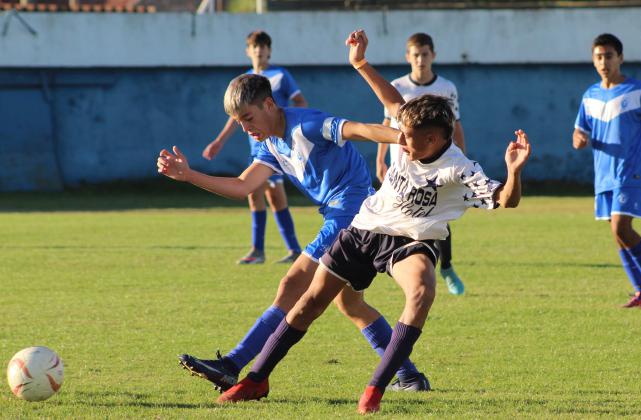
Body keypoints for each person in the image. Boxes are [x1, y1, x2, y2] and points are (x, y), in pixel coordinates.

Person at [214, 29, 531, 415]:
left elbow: (505, 200)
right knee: (311, 302)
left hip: (411, 239)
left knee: (420, 292)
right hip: (366, 227)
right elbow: (392, 100)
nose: (402, 142)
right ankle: (255, 379)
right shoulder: (409, 130)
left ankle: (375, 390)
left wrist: (513, 171)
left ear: (434, 140)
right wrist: (361, 63)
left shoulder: (460, 169)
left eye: (411, 140)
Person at [159, 72, 432, 395]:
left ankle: (232, 365)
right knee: (350, 304)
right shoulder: (271, 145)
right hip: (344, 216)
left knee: (292, 285)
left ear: (270, 104)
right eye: (238, 121)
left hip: (351, 214)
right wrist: (190, 176)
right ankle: (410, 377)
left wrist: (401, 136)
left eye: (248, 118)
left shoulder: (307, 125)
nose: (245, 128)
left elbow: (357, 129)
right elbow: (243, 186)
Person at [572, 33, 641, 309]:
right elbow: (578, 132)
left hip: (630, 172)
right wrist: (578, 140)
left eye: (609, 55)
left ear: (620, 58)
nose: (604, 61)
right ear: (593, 61)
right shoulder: (590, 96)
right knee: (616, 233)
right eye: (599, 56)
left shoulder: (637, 90)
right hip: (603, 175)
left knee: (622, 226)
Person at [203, 30, 305, 265]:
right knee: (254, 195)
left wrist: (291, 124)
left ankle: (293, 249)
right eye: (255, 46)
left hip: (275, 146)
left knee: (276, 196)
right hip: (256, 148)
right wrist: (219, 141)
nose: (260, 50)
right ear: (248, 51)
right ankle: (258, 250)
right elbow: (235, 116)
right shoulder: (244, 80)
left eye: (264, 46)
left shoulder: (280, 75)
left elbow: (299, 101)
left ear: (270, 50)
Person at [376, 32, 467, 296]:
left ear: (433, 55)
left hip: (436, 166)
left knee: (438, 216)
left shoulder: (446, 88)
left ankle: (446, 267)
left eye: (425, 54)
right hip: (403, 167)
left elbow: (455, 125)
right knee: (398, 214)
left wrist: (462, 158)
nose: (420, 59)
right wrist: (380, 159)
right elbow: (387, 125)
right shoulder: (398, 86)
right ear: (408, 57)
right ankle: (402, 268)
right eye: (415, 54)